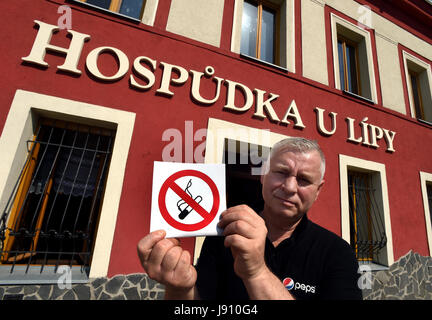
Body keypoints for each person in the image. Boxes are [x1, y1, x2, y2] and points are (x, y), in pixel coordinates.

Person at [137, 137, 362, 300]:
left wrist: (256, 272)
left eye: (303, 179)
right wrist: (181, 289)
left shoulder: (337, 253)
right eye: (281, 172)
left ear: (318, 190)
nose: (290, 187)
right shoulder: (223, 233)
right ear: (263, 175)